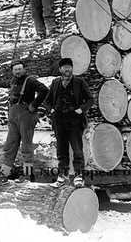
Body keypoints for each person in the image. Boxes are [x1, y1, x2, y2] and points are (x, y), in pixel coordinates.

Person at [0, 62, 49, 184]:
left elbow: (44, 90)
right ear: (12, 71)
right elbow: (5, 83)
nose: (17, 71)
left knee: (26, 147)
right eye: (15, 69)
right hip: (13, 115)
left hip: (26, 116)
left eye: (19, 69)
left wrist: (34, 105)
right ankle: (4, 174)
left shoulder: (30, 81)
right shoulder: (13, 81)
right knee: (10, 145)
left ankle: (28, 175)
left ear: (24, 70)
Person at [44, 58, 92, 188]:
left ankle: (79, 176)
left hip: (74, 121)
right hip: (59, 120)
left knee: (77, 149)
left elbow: (90, 99)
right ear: (60, 69)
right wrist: (51, 110)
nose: (67, 69)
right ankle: (62, 176)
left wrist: (80, 109)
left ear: (72, 68)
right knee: (61, 150)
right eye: (64, 67)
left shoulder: (79, 82)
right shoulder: (55, 83)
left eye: (69, 67)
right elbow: (46, 101)